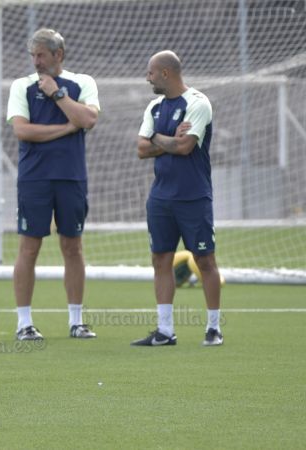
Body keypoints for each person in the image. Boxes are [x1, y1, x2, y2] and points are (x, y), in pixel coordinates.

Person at [6, 29, 101, 341]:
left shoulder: (82, 83)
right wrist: (65, 128)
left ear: (58, 55)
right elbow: (23, 131)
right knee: (29, 247)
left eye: (41, 55)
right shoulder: (22, 86)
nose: (36, 62)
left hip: (71, 176)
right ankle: (24, 324)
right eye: (32, 56)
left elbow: (88, 119)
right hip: (34, 178)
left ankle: (76, 322)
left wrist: (58, 94)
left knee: (72, 246)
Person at [133, 50, 223, 347]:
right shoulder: (154, 107)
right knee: (161, 259)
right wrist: (168, 135)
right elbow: (141, 149)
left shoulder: (198, 103)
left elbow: (185, 147)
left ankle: (213, 328)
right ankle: (165, 331)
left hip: (193, 196)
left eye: (150, 73)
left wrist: (158, 136)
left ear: (166, 74)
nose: (147, 77)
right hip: (160, 198)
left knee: (205, 260)